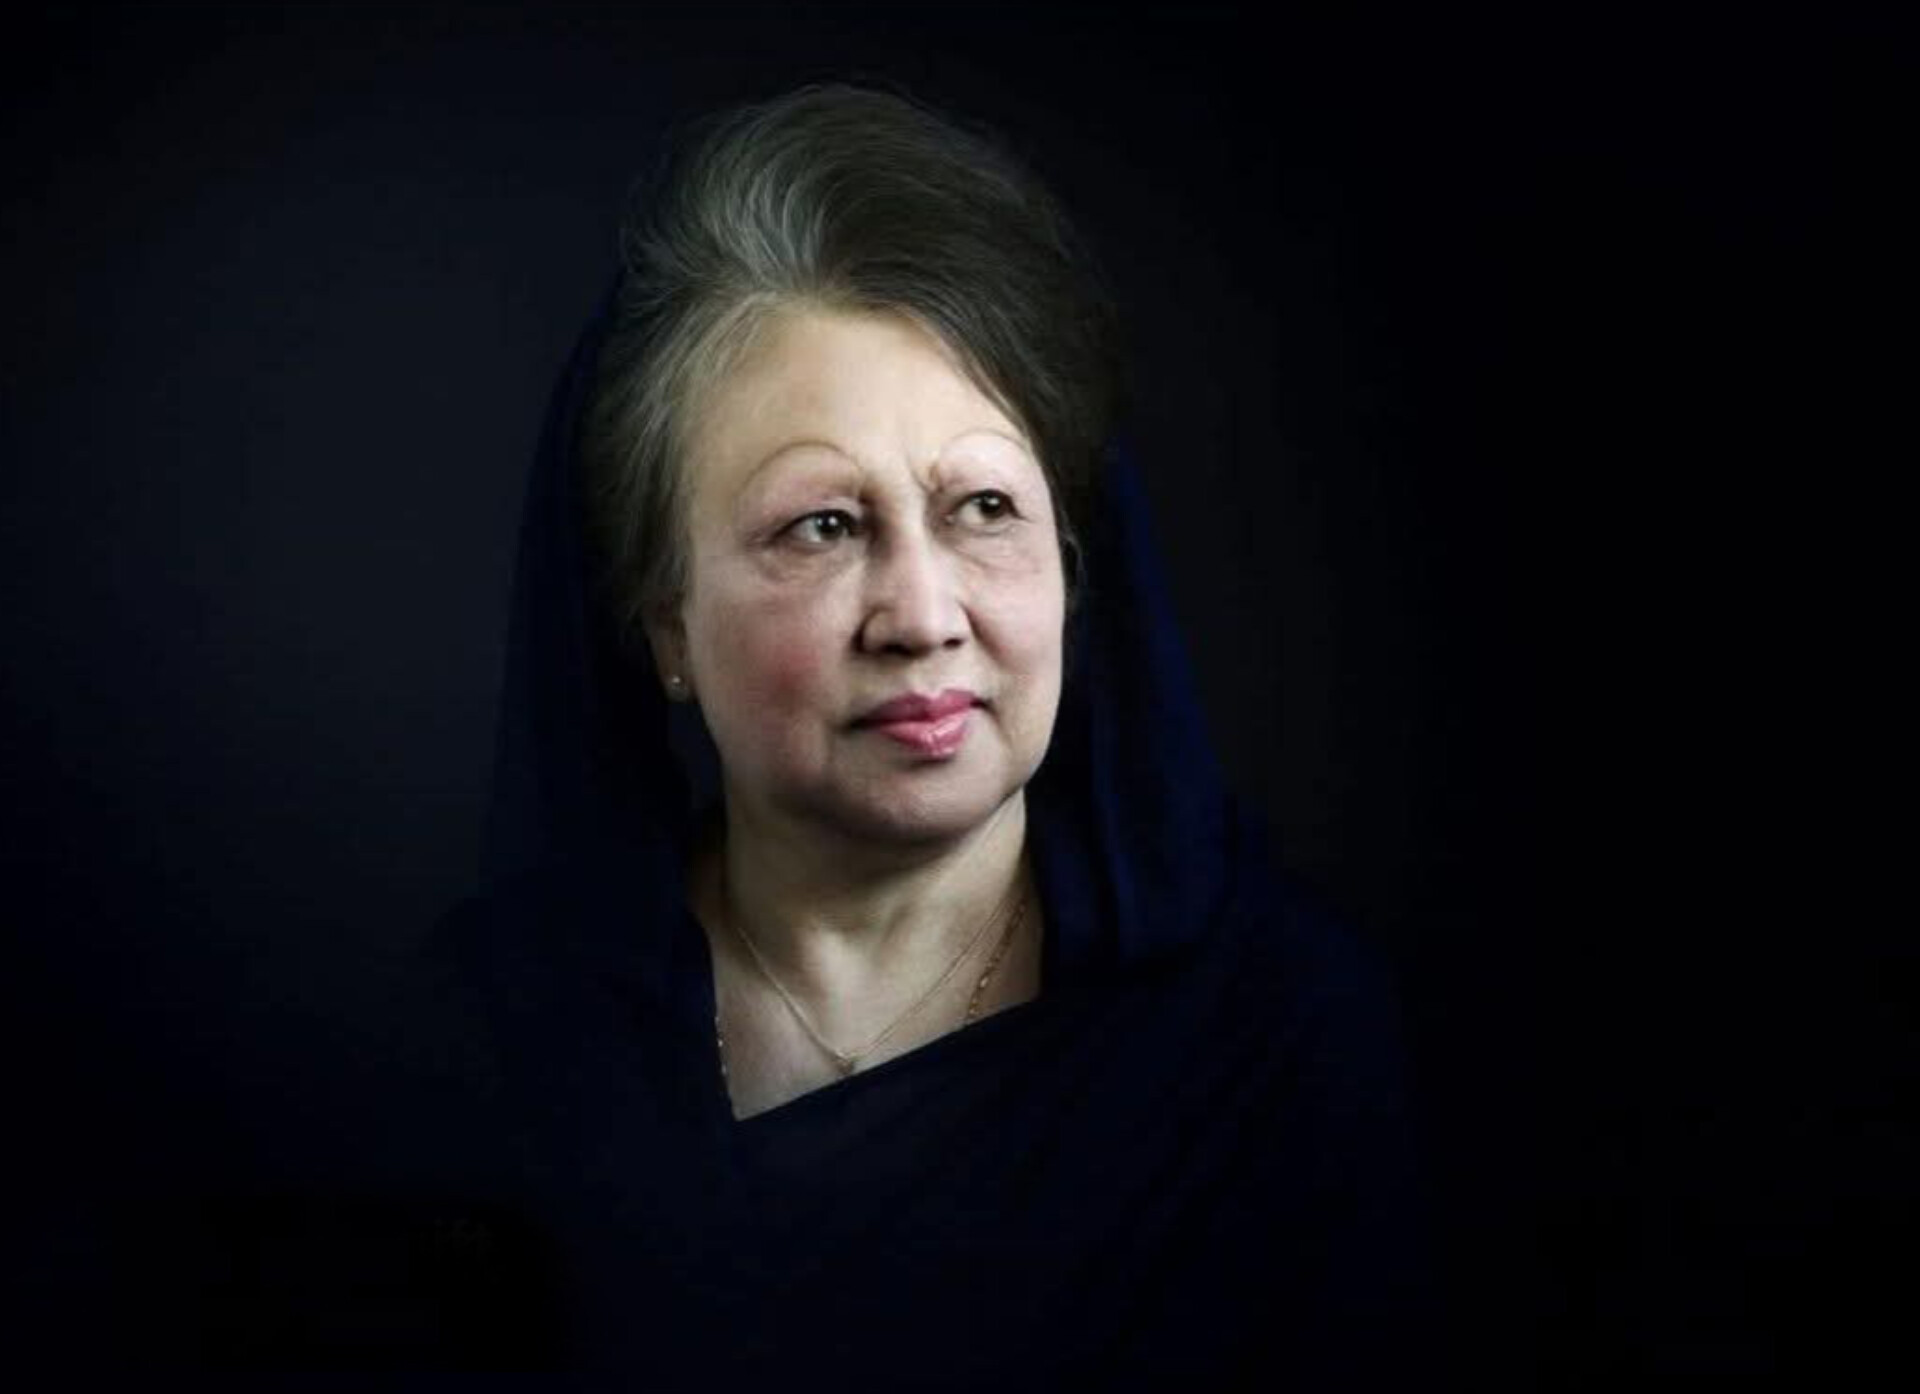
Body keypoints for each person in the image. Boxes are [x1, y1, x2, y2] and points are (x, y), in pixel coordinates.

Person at [391, 82, 1436, 1386]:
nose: (924, 617)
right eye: (822, 525)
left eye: (983, 507)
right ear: (665, 621)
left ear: (1072, 561)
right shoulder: (482, 1045)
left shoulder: (1279, 1045)